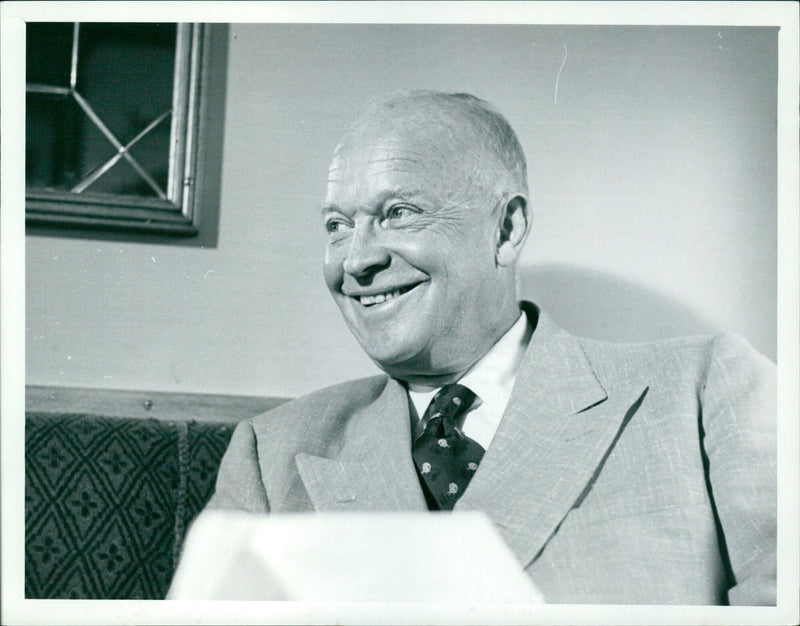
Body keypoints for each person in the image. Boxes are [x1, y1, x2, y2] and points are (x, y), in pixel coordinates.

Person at [203, 91, 776, 605]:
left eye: (398, 213)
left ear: (506, 230)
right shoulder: (271, 453)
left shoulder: (702, 389)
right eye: (336, 224)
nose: (355, 260)